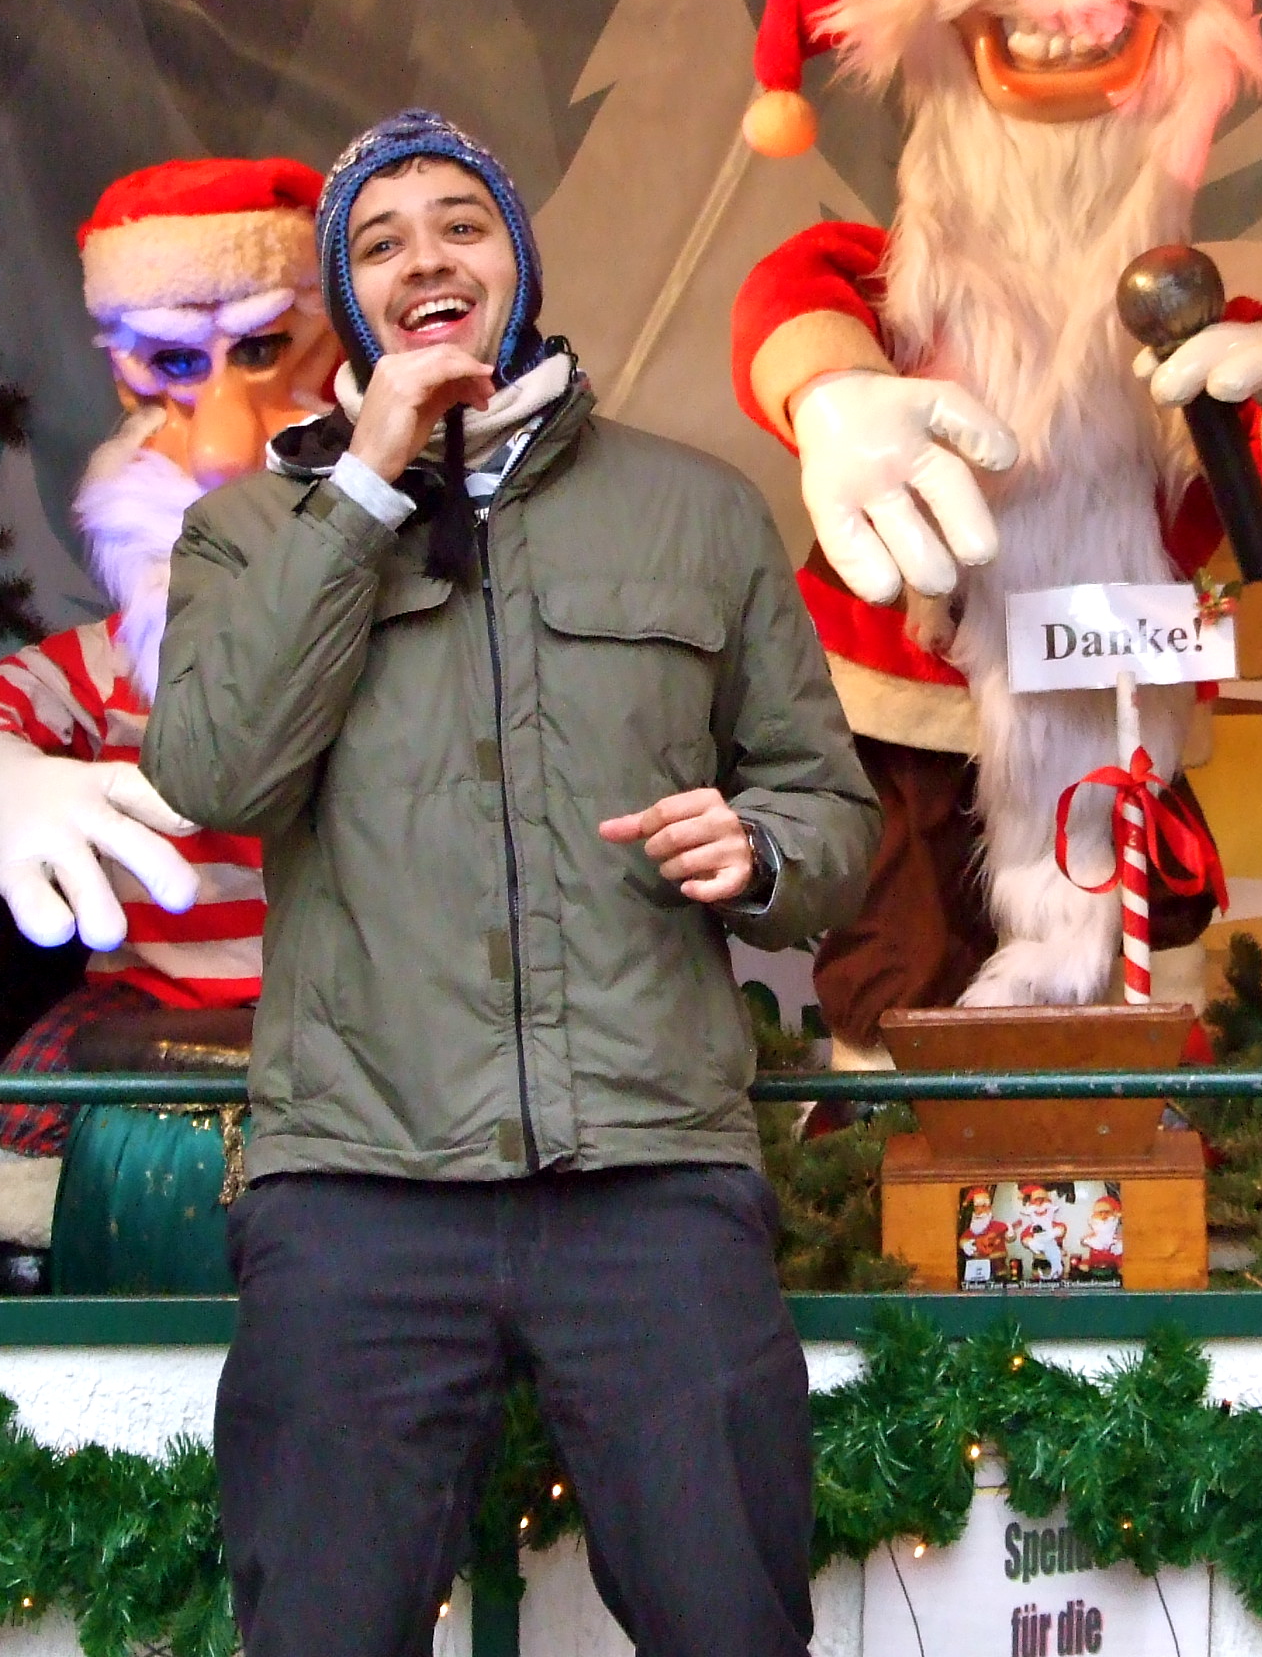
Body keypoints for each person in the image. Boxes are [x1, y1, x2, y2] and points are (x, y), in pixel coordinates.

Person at [140, 108, 878, 1657]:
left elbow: (828, 810)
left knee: (731, 1627)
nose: (426, 260)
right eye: (380, 241)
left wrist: (759, 852)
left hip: (653, 1179)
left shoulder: (696, 509)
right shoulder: (247, 531)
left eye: (460, 224)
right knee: (323, 1632)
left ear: (516, 263)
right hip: (355, 1186)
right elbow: (215, 774)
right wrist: (368, 483)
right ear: (349, 301)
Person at [730, 0, 1262, 1061]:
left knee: (1119, 970)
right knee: (904, 957)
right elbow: (789, 306)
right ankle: (910, 1175)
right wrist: (837, 399)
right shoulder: (885, 282)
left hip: (1114, 705)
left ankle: (1102, 1176)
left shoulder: (1187, 317)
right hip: (911, 689)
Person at [0, 157, 339, 1281]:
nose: (218, 444)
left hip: (354, 1000)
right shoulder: (110, 666)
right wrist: (9, 776)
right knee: (23, 1130)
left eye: (262, 352)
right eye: (174, 366)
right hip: (148, 994)